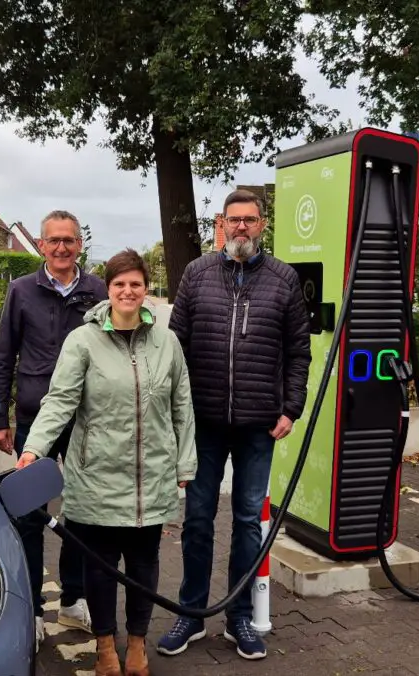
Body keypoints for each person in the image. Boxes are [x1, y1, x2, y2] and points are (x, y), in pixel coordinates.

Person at [17, 248, 196, 676]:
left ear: (146, 289)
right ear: (108, 289)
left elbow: (182, 405)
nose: (128, 291)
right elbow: (60, 400)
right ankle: (104, 647)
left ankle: (136, 643)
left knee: (143, 565)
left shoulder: (166, 342)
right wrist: (34, 448)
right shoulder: (84, 340)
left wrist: (185, 464)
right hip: (95, 475)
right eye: (120, 284)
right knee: (99, 568)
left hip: (149, 476)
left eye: (136, 283)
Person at [157, 189, 311, 661]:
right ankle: (191, 613)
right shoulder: (197, 274)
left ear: (263, 224)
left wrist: (291, 408)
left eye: (250, 219)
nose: (241, 227)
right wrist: (170, 408)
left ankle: (239, 616)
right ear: (220, 224)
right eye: (233, 220)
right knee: (198, 520)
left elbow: (298, 353)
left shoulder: (284, 280)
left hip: (259, 424)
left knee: (248, 522)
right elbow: (174, 345)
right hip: (202, 421)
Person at [0, 209, 106, 649]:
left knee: (82, 512)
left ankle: (73, 601)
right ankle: (33, 610)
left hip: (86, 419)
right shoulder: (21, 291)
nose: (60, 248)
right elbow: (3, 356)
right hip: (35, 420)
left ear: (79, 245)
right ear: (41, 244)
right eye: (53, 240)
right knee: (31, 515)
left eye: (68, 241)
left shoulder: (97, 291)